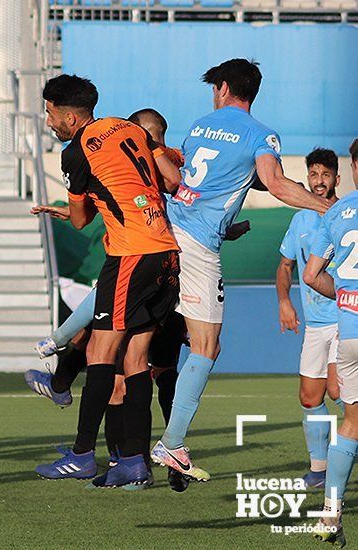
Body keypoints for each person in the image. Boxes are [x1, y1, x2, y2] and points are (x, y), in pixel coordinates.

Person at [151, 59, 332, 483]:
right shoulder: (260, 133)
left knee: (134, 335)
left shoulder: (198, 126)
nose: (213, 93)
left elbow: (197, 181)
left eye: (214, 86)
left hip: (165, 228)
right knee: (206, 346)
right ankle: (172, 442)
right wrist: (328, 205)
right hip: (197, 245)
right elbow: (276, 184)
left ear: (225, 87)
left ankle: (60, 348)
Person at [30, 74, 182, 488]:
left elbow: (80, 221)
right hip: (167, 253)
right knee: (135, 359)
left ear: (71, 116)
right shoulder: (128, 127)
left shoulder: (75, 151)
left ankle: (82, 455)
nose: (48, 121)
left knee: (99, 348)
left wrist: (75, 207)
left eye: (50, 113)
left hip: (131, 253)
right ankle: (132, 460)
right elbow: (167, 181)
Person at [277, 148, 342, 490]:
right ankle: (319, 471)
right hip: (315, 324)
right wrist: (285, 300)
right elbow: (285, 266)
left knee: (337, 390)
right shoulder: (300, 219)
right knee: (309, 397)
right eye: (314, 175)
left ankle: (345, 451)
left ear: (337, 178)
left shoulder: (347, 215)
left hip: (345, 319)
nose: (319, 181)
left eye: (326, 175)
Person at [305, 139, 358, 547]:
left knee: (351, 423)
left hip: (350, 332)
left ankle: (330, 513)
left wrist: (342, 293)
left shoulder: (337, 213)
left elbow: (310, 275)